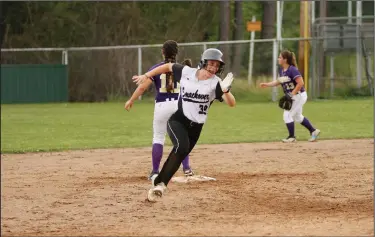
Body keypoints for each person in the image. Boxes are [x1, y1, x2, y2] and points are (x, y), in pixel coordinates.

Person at [132, 48, 236, 202]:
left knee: (181, 153)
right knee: (181, 147)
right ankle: (161, 185)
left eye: (217, 65)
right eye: (211, 64)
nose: (214, 68)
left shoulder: (216, 83)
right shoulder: (187, 72)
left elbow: (232, 103)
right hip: (178, 120)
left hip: (196, 128)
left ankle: (158, 183)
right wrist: (147, 75)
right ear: (203, 62)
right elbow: (168, 67)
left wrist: (225, 90)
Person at [124, 40, 194, 180]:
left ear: (163, 52)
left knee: (158, 137)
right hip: (179, 105)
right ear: (176, 53)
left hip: (162, 105)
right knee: (182, 138)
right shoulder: (182, 68)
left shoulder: (156, 69)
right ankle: (187, 169)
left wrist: (131, 100)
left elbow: (143, 87)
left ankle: (155, 172)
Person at [259, 49, 320, 143]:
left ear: (285, 59)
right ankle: (313, 131)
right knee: (297, 117)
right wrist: (267, 84)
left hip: (298, 95)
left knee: (287, 115)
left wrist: (292, 94)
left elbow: (301, 83)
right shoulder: (282, 70)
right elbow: (279, 81)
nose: (278, 59)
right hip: (294, 96)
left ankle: (292, 137)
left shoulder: (293, 70)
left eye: (280, 57)